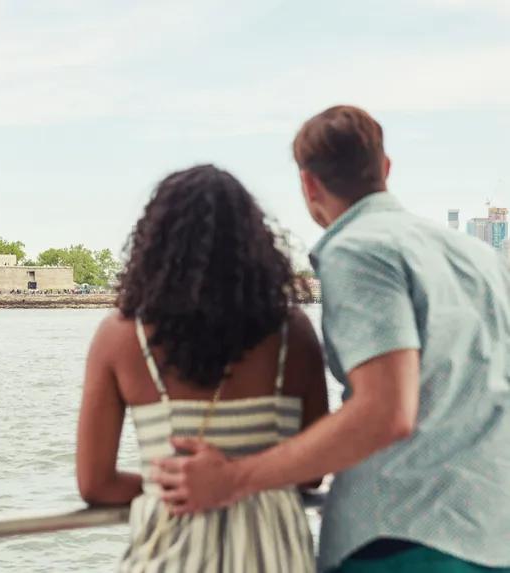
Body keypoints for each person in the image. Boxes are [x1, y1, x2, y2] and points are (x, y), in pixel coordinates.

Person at [153, 106, 510, 572]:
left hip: (404, 540)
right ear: (385, 168)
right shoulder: (480, 257)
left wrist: (232, 479)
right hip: (495, 533)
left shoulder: (358, 248)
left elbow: (386, 413)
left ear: (309, 184)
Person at [76, 165, 329, 571]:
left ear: (155, 243)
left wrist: (175, 486)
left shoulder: (121, 337)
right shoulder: (291, 335)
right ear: (253, 242)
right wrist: (243, 483)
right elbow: (312, 471)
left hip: (168, 555)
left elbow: (95, 484)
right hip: (275, 556)